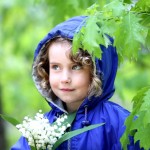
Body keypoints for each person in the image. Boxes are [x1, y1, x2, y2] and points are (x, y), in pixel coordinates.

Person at [11, 16, 141, 150]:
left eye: (76, 67)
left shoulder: (120, 124)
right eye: (56, 67)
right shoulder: (41, 129)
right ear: (45, 68)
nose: (65, 78)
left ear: (96, 71)